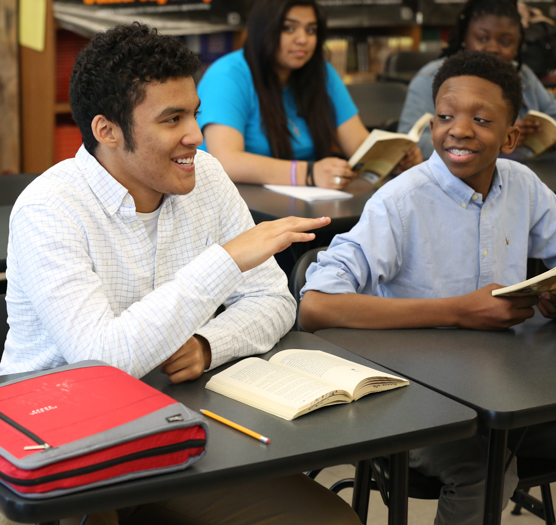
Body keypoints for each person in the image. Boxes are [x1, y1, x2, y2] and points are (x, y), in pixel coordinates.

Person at [0, 23, 362, 525]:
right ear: (107, 130)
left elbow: (275, 302)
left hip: (178, 421)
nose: (195, 134)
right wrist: (225, 261)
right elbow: (100, 364)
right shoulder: (49, 208)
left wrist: (208, 342)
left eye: (193, 112)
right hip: (64, 445)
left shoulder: (205, 174)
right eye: (172, 119)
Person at [299, 50, 556, 525]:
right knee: (480, 469)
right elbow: (316, 306)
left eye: (480, 119)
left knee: (515, 440)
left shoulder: (522, 185)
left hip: (503, 385)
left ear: (511, 136)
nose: (458, 129)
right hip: (411, 396)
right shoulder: (401, 202)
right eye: (444, 116)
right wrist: (459, 311)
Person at [197, 0, 422, 190]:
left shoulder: (321, 73)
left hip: (303, 202)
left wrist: (393, 158)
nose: (302, 39)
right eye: (288, 28)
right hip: (238, 202)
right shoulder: (228, 75)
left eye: (311, 30)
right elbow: (226, 160)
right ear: (263, 30)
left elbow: (358, 145)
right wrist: (309, 174)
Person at [398, 0, 556, 160]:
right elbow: (408, 145)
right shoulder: (432, 78)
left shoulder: (523, 76)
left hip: (521, 175)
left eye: (505, 42)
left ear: (518, 46)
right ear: (464, 37)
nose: (493, 48)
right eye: (482, 38)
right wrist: (498, 138)